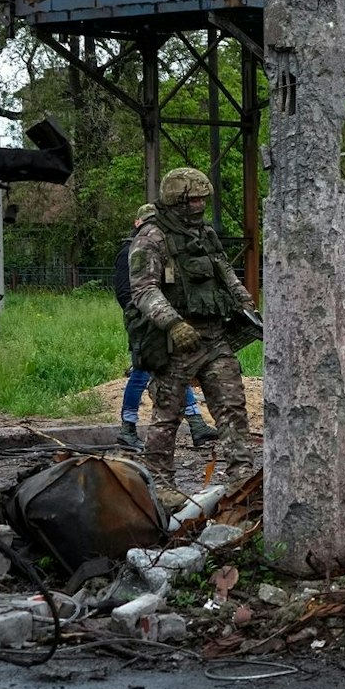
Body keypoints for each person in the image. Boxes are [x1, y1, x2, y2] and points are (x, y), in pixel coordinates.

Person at [127, 169, 257, 505]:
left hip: (213, 337)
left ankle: (241, 475)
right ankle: (160, 482)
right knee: (167, 415)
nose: (200, 205)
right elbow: (143, 290)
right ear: (176, 200)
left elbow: (224, 271)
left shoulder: (205, 234)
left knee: (232, 406)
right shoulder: (152, 238)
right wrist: (173, 324)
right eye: (194, 199)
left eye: (203, 199)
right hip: (174, 343)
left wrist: (245, 304)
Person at [113, 202, 212, 452]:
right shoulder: (129, 251)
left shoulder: (161, 249)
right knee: (142, 372)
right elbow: (127, 293)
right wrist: (143, 318)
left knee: (176, 368)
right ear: (138, 224)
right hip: (146, 324)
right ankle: (127, 428)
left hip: (164, 320)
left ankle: (196, 424)